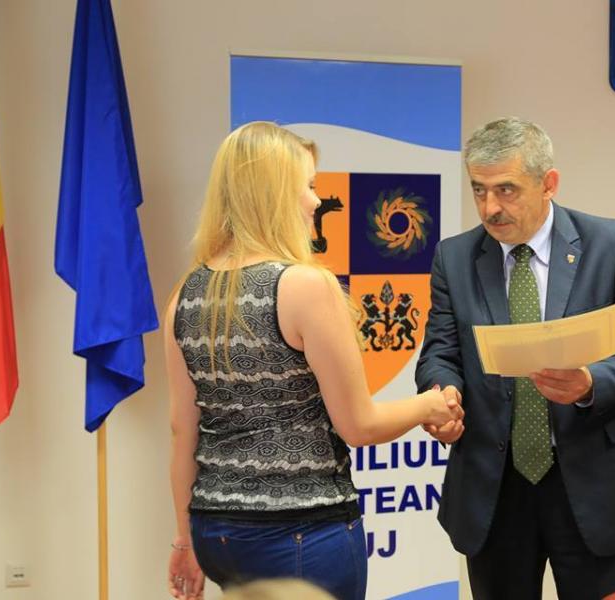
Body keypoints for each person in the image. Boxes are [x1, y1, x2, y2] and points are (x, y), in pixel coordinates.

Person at [165, 121, 462, 600]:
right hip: (301, 533)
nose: (316, 201)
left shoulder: (186, 293)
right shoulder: (304, 286)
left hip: (216, 533)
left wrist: (184, 540)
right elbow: (359, 425)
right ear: (275, 194)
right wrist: (430, 405)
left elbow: (183, 430)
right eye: (307, 186)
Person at [415, 117, 615, 599]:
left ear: (548, 183)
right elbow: (440, 353)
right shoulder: (454, 257)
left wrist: (591, 382)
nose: (490, 208)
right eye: (479, 190)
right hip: (495, 487)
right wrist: (443, 394)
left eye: (506, 190)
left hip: (596, 481)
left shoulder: (610, 244)